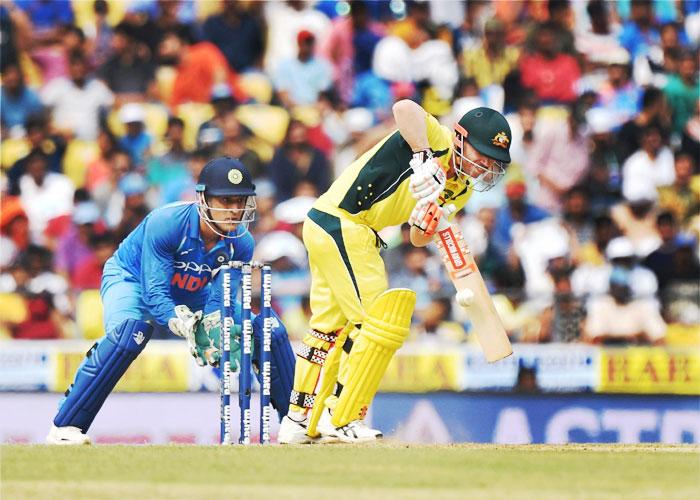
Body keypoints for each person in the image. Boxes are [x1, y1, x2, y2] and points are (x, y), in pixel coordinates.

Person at [277, 100, 512, 444]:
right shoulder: (438, 139)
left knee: (329, 329)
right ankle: (340, 415)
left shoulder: (459, 190)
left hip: (340, 228)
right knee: (378, 324)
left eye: (494, 163)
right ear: (461, 139)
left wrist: (426, 224)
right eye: (483, 156)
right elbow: (404, 108)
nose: (485, 167)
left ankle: (298, 419)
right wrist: (423, 156)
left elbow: (416, 238)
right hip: (344, 222)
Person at [46, 157, 296, 445]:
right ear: (202, 198)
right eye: (226, 201)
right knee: (129, 334)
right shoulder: (166, 223)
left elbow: (219, 299)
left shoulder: (242, 242)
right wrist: (181, 323)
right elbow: (154, 294)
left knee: (267, 328)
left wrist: (216, 325)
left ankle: (293, 421)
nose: (235, 210)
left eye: (241, 201)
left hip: (193, 290)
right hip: (134, 280)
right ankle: (65, 427)